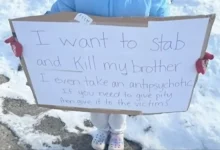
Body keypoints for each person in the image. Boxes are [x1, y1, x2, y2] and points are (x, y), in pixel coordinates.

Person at [5, 0, 214, 150]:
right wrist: (27, 37)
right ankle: (101, 128)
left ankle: (117, 131)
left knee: (121, 99)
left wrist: (192, 48)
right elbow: (59, 12)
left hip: (131, 60)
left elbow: (168, 23)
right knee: (95, 100)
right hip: (89, 59)